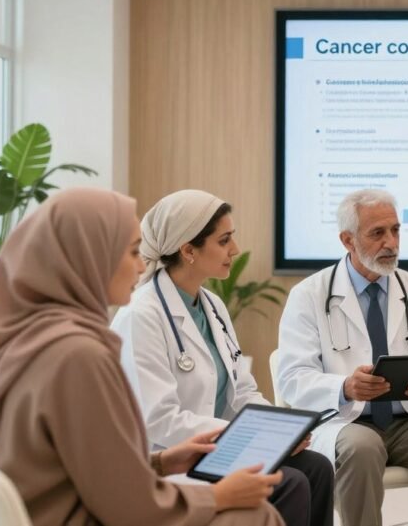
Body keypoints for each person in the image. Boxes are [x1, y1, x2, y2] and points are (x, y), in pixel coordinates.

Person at [0, 188, 283, 526]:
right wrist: (219, 496)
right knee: (255, 513)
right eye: (133, 251)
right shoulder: (79, 355)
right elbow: (131, 504)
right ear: (89, 257)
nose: (141, 265)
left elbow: (85, 466)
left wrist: (161, 462)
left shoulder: (23, 340)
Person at [111, 189, 334, 526]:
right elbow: (160, 420)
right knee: (290, 483)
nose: (235, 250)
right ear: (188, 250)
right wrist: (245, 434)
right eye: (224, 240)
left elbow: (241, 392)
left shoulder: (212, 306)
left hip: (222, 447)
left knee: (317, 467)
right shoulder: (141, 315)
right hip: (176, 456)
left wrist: (280, 428)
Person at [277, 189, 408, 526]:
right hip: (345, 422)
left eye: (396, 230)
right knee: (363, 447)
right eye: (377, 233)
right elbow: (292, 377)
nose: (391, 243)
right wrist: (345, 387)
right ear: (347, 240)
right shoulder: (309, 295)